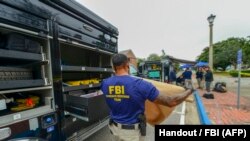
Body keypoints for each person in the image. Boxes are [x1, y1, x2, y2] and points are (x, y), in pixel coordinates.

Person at [101, 54, 194, 141]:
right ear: (127, 65)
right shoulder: (141, 84)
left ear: (113, 67)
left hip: (113, 129)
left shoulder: (105, 83)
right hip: (131, 134)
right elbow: (171, 102)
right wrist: (189, 91)